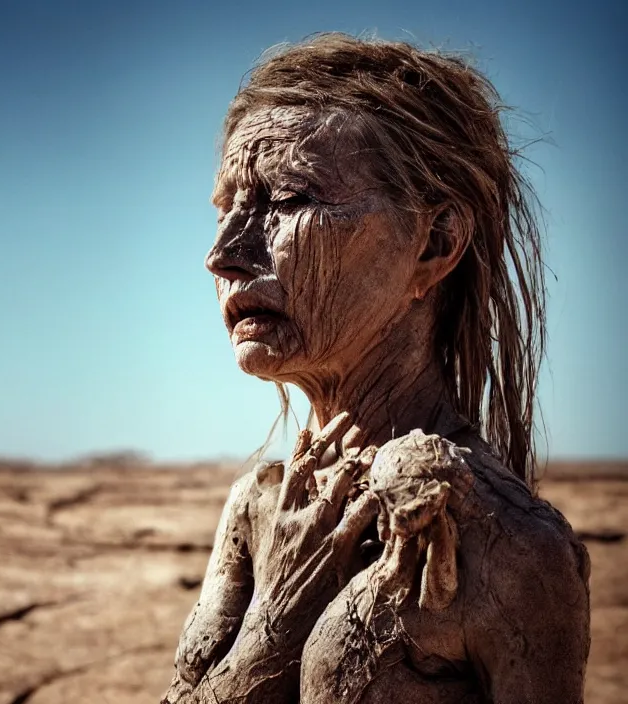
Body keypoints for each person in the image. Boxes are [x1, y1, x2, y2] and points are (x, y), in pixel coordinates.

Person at [165, 34, 590, 703]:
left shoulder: (510, 551)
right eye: (225, 209)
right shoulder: (260, 507)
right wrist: (278, 621)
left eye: (287, 201)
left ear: (436, 241)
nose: (223, 254)